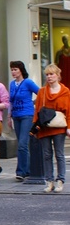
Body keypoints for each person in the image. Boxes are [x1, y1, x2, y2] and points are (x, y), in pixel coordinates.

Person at [32, 64, 69, 193]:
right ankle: (49, 181)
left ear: (58, 75)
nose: (49, 77)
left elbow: (69, 111)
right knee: (47, 155)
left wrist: (69, 127)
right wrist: (35, 127)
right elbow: (37, 111)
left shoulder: (65, 92)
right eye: (47, 74)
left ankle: (60, 180)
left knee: (59, 154)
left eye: (51, 74)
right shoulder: (42, 92)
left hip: (59, 127)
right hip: (44, 127)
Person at [8, 61, 40, 181]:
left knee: (22, 143)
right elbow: (10, 101)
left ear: (21, 70)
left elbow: (40, 93)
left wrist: (32, 104)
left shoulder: (28, 82)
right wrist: (9, 117)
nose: (13, 72)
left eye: (15, 69)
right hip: (16, 115)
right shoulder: (12, 84)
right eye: (12, 70)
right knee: (22, 145)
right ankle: (27, 169)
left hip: (27, 115)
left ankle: (21, 171)